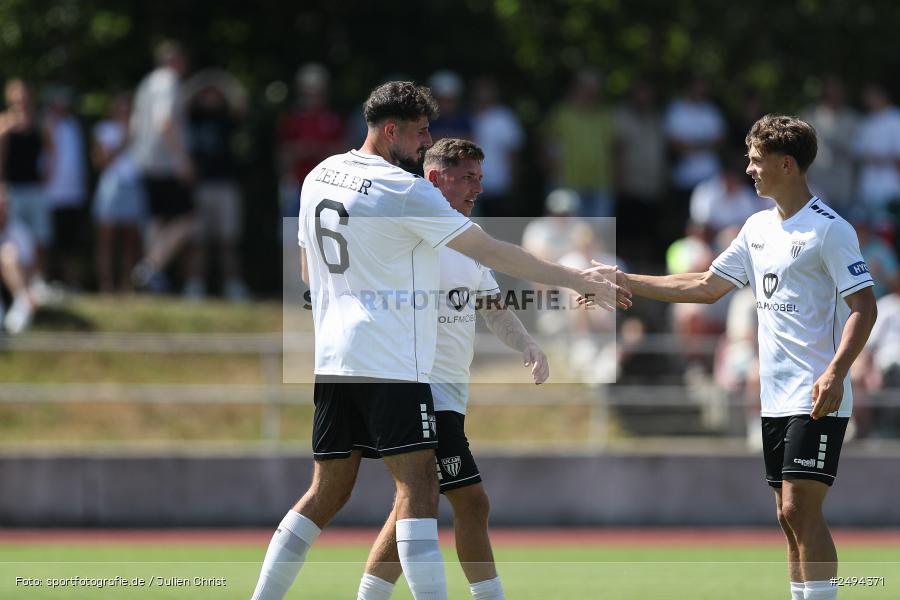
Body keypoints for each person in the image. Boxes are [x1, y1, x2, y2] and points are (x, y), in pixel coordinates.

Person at [249, 81, 628, 600]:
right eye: (421, 131)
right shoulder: (406, 191)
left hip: (334, 358)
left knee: (326, 492)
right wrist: (578, 279)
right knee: (420, 490)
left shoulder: (320, 174)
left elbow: (307, 267)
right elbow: (495, 252)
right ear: (390, 130)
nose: (427, 139)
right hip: (393, 362)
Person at [592, 115, 877, 600]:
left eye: (755, 159)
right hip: (773, 395)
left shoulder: (831, 230)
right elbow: (705, 287)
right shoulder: (757, 226)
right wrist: (627, 281)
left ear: (786, 165)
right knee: (786, 518)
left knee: (798, 509)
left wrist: (835, 373)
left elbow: (864, 308)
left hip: (817, 392)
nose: (748, 168)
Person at [356, 138, 548, 600]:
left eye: (480, 178)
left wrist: (526, 341)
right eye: (467, 178)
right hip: (417, 391)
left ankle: (369, 596)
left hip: (447, 394)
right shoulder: (407, 234)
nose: (477, 188)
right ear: (435, 178)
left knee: (412, 506)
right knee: (471, 501)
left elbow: (493, 306)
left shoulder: (468, 237)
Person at [129, 40, 196, 293]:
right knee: (187, 218)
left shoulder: (146, 83)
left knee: (156, 220)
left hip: (145, 162)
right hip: (165, 164)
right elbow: (165, 121)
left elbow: (134, 127)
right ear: (174, 60)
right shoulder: (169, 81)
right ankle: (149, 267)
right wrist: (182, 160)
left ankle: (152, 277)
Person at [92, 92, 147, 293]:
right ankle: (106, 285)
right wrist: (124, 140)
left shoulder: (139, 129)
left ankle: (128, 285)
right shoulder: (104, 129)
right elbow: (103, 161)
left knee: (131, 239)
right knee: (107, 238)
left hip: (133, 185)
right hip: (111, 185)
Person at [0, 79, 52, 288]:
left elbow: (51, 150)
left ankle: (39, 280)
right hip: (13, 189)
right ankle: (20, 283)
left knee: (40, 237)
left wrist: (48, 176)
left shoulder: (39, 122)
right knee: (15, 239)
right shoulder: (5, 123)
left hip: (35, 187)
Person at [0, 182, 37, 333]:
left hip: (16, 286)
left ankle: (22, 304)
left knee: (7, 254)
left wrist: (28, 292)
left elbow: (29, 268)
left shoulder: (20, 232)